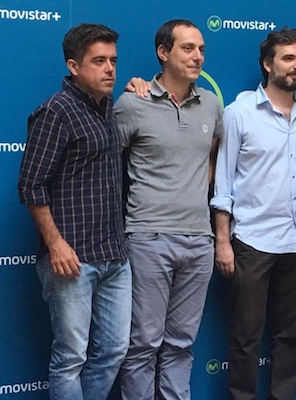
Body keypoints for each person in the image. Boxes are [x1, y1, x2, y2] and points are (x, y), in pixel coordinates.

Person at [17, 23, 130, 400]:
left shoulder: (108, 108)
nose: (110, 68)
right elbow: (31, 185)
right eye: (99, 61)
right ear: (74, 66)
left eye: (113, 60)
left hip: (114, 255)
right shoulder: (56, 111)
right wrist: (55, 244)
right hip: (72, 260)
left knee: (114, 351)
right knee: (70, 358)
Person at [114, 19, 223, 400]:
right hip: (149, 237)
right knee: (143, 343)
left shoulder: (211, 104)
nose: (198, 57)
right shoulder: (133, 104)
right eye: (188, 48)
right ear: (163, 52)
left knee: (181, 343)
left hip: (199, 240)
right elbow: (104, 166)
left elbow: (214, 156)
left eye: (201, 49)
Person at [210, 27, 296, 400]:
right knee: (246, 336)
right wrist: (223, 241)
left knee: (291, 334)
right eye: (288, 58)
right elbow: (223, 183)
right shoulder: (239, 114)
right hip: (253, 239)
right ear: (267, 64)